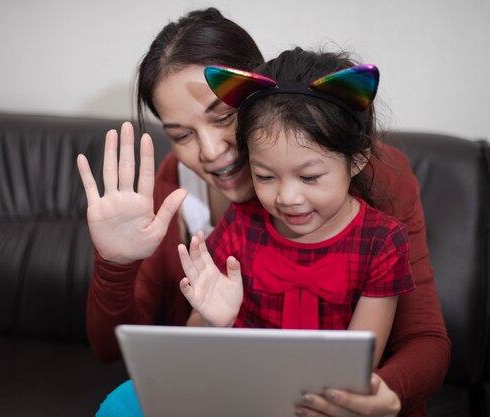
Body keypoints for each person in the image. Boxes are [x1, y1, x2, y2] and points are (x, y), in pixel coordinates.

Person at [77, 7, 450, 417]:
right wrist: (115, 262)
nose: (210, 151)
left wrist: (381, 391)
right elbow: (119, 350)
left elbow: (425, 338)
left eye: (224, 118)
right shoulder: (174, 189)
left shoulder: (380, 183)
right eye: (181, 134)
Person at [178, 50, 416, 373]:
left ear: (357, 161)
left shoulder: (382, 242)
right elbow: (189, 342)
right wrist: (212, 323)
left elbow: (356, 370)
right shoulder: (240, 224)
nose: (287, 197)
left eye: (309, 177)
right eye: (265, 176)